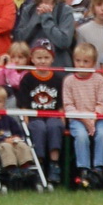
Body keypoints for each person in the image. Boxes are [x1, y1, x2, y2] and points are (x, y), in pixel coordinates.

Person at [15, 39, 65, 183]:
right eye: (39, 58)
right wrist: (25, 118)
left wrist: (62, 119)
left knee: (54, 126)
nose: (42, 61)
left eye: (46, 57)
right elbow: (23, 103)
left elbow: (60, 103)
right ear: (32, 59)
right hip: (34, 117)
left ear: (52, 59)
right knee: (39, 128)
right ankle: (39, 164)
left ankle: (54, 164)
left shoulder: (57, 78)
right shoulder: (27, 78)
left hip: (52, 115)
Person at [63, 41, 103, 187]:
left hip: (96, 117)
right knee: (81, 135)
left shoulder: (99, 80)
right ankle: (83, 169)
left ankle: (99, 168)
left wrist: (93, 118)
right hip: (77, 118)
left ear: (94, 63)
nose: (81, 65)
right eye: (78, 61)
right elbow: (68, 106)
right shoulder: (69, 81)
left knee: (102, 134)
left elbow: (102, 103)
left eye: (86, 62)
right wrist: (84, 119)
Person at [15, 0, 77, 69]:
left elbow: (64, 42)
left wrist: (46, 18)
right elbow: (20, 39)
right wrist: (36, 19)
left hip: (58, 68)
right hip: (32, 68)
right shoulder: (28, 10)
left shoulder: (65, 11)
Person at [0, 85, 36, 187]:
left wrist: (16, 138)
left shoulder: (8, 119)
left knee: (22, 144)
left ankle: (25, 167)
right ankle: (11, 169)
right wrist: (4, 140)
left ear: (3, 104)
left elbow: (18, 132)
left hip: (12, 144)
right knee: (6, 146)